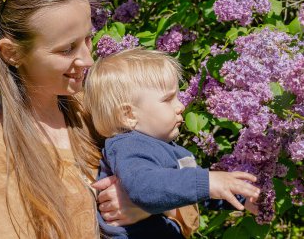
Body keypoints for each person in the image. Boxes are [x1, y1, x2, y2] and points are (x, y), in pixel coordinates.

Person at [0, 0, 148, 238]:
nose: (88, 60)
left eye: (87, 39)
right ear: (12, 54)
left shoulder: (93, 103)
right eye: (66, 49)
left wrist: (146, 203)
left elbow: (184, 196)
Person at [83, 48, 260, 239]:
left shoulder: (169, 148)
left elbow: (190, 192)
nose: (181, 106)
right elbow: (144, 188)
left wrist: (240, 197)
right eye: (168, 99)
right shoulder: (129, 145)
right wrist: (207, 182)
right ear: (128, 115)